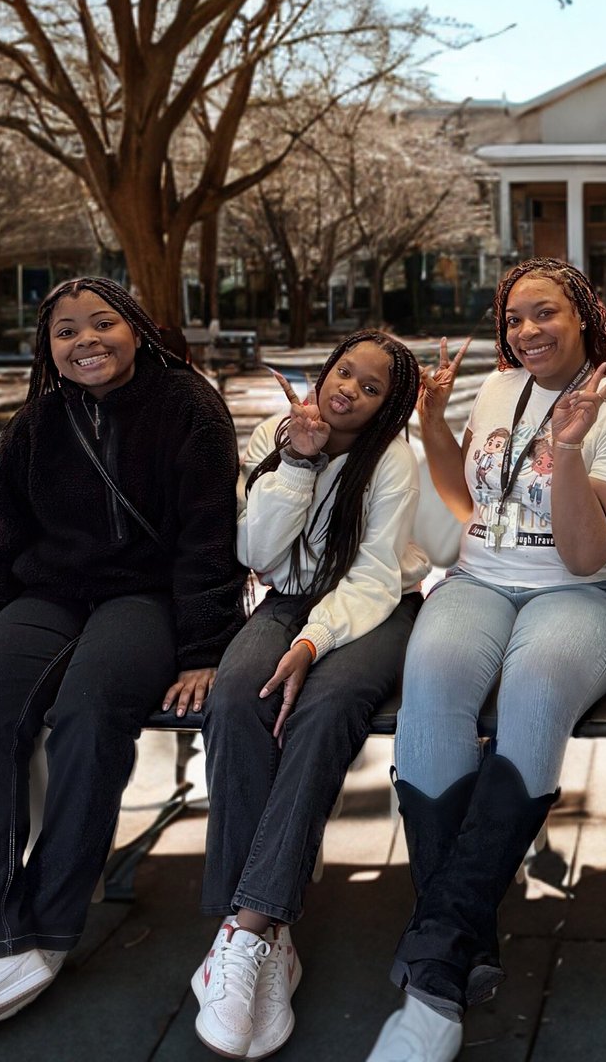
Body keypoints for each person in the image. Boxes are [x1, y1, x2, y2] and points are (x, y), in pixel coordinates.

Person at [0, 277, 248, 1054]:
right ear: (47, 348)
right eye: (65, 331)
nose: (85, 340)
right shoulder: (34, 425)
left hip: (145, 600)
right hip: (46, 595)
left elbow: (208, 536)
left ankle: (47, 926)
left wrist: (205, 650)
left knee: (90, 709)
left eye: (103, 323)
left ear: (137, 329)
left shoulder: (189, 406)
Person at [366, 258, 606, 1062]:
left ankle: (432, 984)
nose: (527, 331)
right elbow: (466, 505)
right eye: (514, 318)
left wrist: (568, 447)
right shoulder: (498, 389)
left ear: (584, 317)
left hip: (581, 599)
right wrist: (431, 419)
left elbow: (586, 548)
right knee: (430, 684)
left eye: (545, 313)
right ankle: (461, 940)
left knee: (532, 689)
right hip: (479, 583)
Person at [189, 332, 427, 1058]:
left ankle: (249, 926)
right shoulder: (276, 433)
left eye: (372, 386)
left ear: (391, 407)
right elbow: (257, 555)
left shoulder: (392, 460)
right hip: (288, 602)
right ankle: (264, 935)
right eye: (343, 371)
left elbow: (376, 578)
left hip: (379, 607)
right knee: (235, 698)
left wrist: (310, 646)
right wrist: (296, 460)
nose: (348, 388)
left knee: (325, 709)